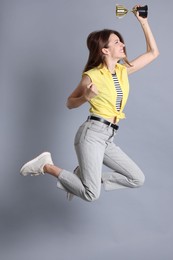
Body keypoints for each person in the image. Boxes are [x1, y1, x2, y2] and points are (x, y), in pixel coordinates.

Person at [20, 5, 159, 202]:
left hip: (108, 136)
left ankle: (82, 177)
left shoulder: (122, 71)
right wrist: (86, 96)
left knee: (137, 178)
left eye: (121, 41)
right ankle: (46, 166)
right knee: (91, 194)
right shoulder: (92, 76)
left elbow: (153, 52)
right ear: (104, 50)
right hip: (92, 134)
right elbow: (69, 103)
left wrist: (143, 22)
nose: (123, 45)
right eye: (116, 42)